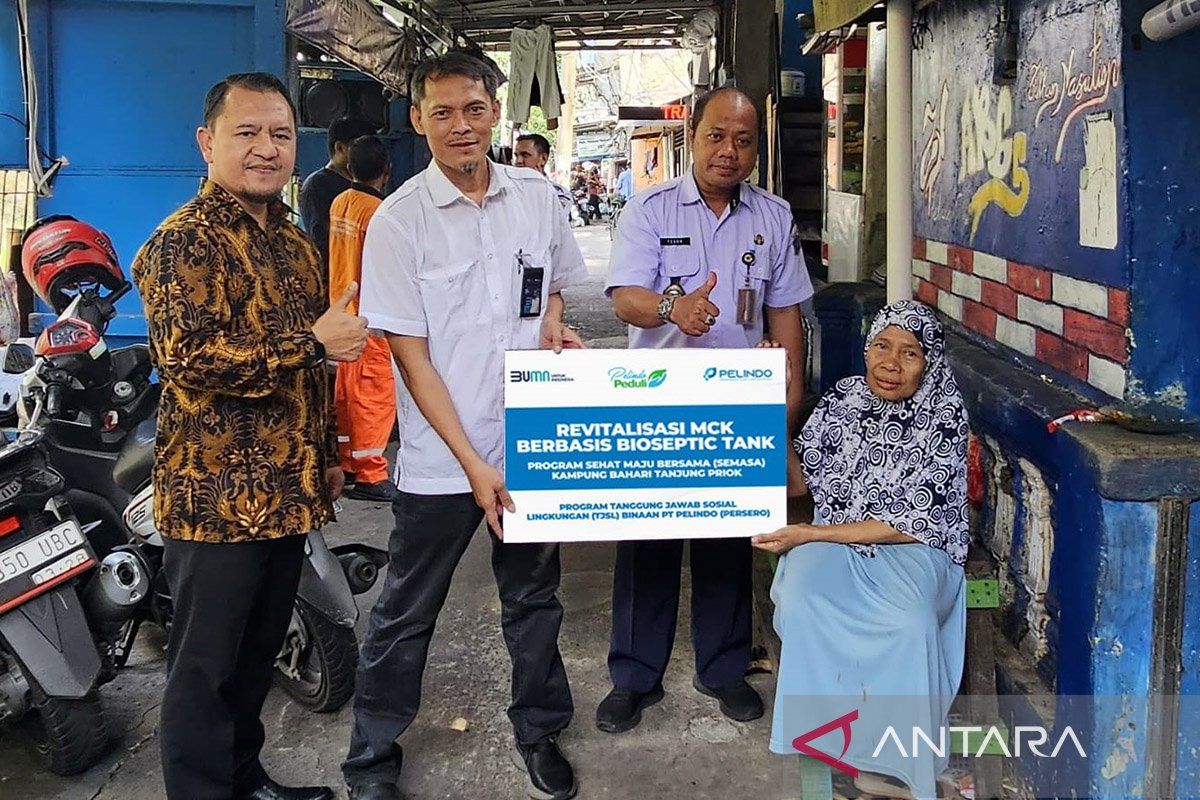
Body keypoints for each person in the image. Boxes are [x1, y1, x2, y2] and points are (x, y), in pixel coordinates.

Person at [341, 53, 587, 800]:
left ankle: (539, 729)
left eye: (473, 109)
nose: (459, 126)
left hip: (530, 445)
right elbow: (412, 358)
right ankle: (371, 757)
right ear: (417, 120)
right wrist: (474, 464)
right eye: (441, 112)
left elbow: (551, 289)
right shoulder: (398, 221)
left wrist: (552, 324)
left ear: (495, 112)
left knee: (534, 599)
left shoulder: (538, 199)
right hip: (441, 462)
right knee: (406, 612)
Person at [132, 72, 369, 800]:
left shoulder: (293, 242)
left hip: (286, 492)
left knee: (255, 654)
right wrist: (312, 343)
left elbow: (311, 370)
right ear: (208, 142)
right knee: (204, 670)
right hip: (214, 504)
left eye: (280, 134)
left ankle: (244, 780)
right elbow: (191, 359)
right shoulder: (183, 243)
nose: (266, 149)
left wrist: (326, 455)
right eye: (247, 132)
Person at [601, 86, 811, 733]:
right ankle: (635, 677)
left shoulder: (773, 217)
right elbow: (623, 298)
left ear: (755, 148)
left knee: (726, 540)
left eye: (743, 140)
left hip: (737, 402)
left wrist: (791, 399)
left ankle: (722, 667)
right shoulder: (648, 209)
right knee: (648, 542)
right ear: (694, 136)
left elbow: (786, 312)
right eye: (718, 136)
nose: (729, 151)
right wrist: (674, 307)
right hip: (660, 401)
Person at [754, 300, 969, 800]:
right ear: (866, 349)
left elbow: (911, 522)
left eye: (910, 353)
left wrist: (808, 536)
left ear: (929, 361)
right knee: (803, 598)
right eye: (881, 346)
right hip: (834, 540)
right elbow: (795, 483)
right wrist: (769, 402)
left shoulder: (943, 413)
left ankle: (894, 765)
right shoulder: (843, 400)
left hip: (913, 547)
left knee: (908, 622)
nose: (891, 363)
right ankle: (836, 746)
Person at [328, 135, 397, 502]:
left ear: (349, 168)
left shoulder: (341, 202)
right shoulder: (380, 213)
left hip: (342, 313)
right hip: (370, 319)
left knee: (347, 395)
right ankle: (371, 471)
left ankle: (350, 462)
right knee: (374, 396)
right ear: (387, 171)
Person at [300, 116, 378, 265]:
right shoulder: (317, 186)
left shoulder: (362, 183)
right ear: (340, 148)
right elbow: (322, 242)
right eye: (360, 148)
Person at [514, 132, 572, 213]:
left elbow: (551, 217)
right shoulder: (508, 189)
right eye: (516, 156)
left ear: (543, 159)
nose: (518, 161)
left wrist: (536, 183)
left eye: (525, 155)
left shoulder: (559, 194)